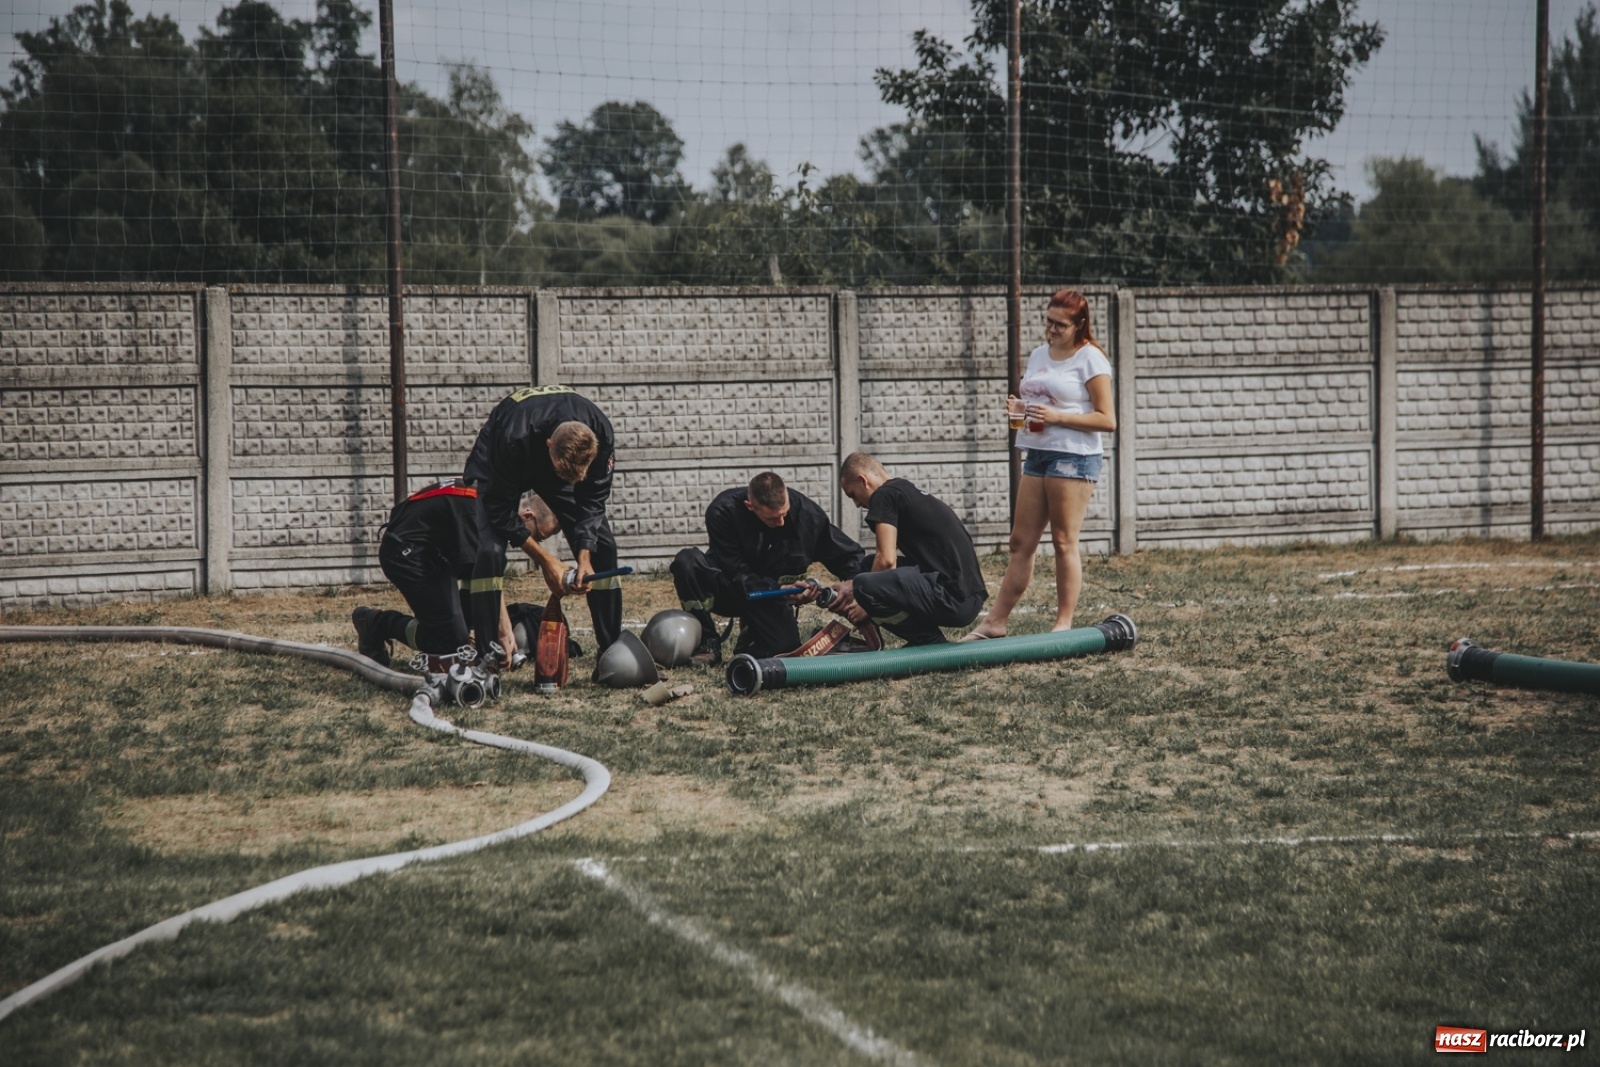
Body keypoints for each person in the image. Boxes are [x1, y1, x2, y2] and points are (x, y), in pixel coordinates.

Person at [965, 289, 1116, 639]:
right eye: (1048, 321)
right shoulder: (1037, 355)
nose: (1051, 329)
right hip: (1037, 452)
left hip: (1074, 456)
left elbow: (1107, 420)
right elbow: (1038, 403)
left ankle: (1063, 624)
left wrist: (1057, 416)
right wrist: (1020, 408)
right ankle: (995, 623)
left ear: (1079, 324)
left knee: (1063, 540)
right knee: (1020, 541)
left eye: (1060, 325)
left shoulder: (1091, 358)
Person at [462, 384, 623, 657]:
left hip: (549, 452)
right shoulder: (512, 436)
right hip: (503, 455)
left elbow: (592, 502)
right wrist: (547, 562)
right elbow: (500, 510)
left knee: (603, 545)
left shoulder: (600, 433)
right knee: (489, 551)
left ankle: (611, 650)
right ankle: (489, 654)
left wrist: (585, 559)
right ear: (550, 446)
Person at [670, 471, 868, 662]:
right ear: (750, 506)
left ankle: (751, 641)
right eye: (772, 518)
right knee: (687, 561)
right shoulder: (723, 512)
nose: (781, 522)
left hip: (771, 600)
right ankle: (707, 643)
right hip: (730, 590)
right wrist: (778, 589)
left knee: (785, 649)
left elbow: (849, 554)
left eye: (784, 513)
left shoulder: (806, 515)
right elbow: (735, 572)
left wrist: (851, 586)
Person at [352, 487, 560, 667]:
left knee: (476, 610)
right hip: (407, 554)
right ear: (527, 516)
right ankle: (376, 623)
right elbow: (486, 577)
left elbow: (481, 578)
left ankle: (448, 628)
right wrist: (504, 632)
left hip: (433, 555)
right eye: (538, 536)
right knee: (452, 644)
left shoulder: (493, 504)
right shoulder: (481, 513)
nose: (535, 544)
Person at [828, 452, 987, 646]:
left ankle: (927, 640)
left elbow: (886, 561)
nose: (856, 504)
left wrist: (864, 603)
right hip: (968, 595)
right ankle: (926, 639)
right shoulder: (904, 490)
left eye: (852, 494)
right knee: (867, 567)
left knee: (865, 584)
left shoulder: (884, 495)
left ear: (863, 480)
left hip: (954, 598)